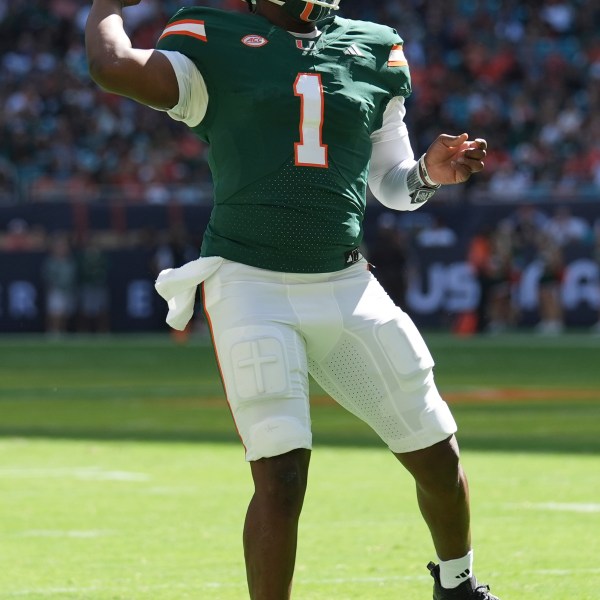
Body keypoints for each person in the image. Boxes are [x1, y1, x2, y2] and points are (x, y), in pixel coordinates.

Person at [85, 1, 498, 598]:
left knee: (435, 450)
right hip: (249, 283)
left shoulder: (376, 47)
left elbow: (391, 185)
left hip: (345, 283)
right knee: (281, 475)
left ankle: (457, 584)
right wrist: (107, 6)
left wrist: (429, 174)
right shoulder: (211, 33)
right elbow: (113, 65)